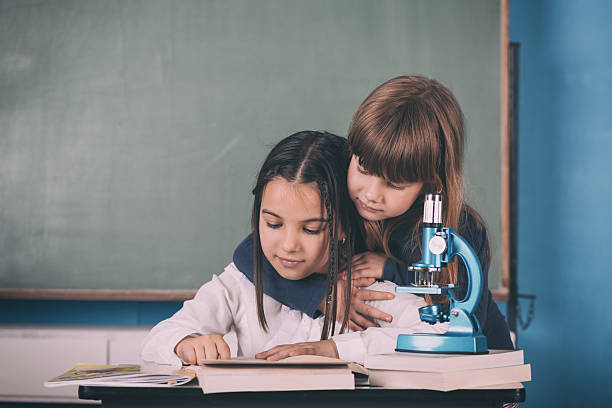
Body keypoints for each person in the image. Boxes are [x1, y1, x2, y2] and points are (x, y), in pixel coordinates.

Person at [233, 76, 513, 350]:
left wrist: (391, 269)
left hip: (482, 363)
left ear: (430, 183)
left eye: (394, 184)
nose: (371, 194)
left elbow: (460, 312)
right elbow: (248, 253)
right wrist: (321, 297)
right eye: (363, 170)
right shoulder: (342, 193)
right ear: (352, 151)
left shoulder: (458, 229)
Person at [140, 131, 447, 366]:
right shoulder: (239, 283)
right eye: (273, 224)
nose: (288, 245)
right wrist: (185, 342)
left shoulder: (366, 287)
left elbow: (440, 335)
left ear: (342, 227)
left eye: (311, 228)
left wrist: (333, 349)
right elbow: (160, 337)